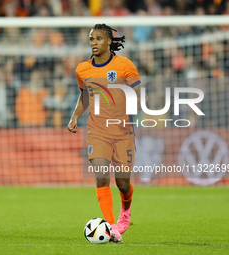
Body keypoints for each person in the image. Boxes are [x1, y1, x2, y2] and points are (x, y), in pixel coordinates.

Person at [67, 24, 142, 242]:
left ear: (109, 41)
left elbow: (136, 90)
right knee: (101, 176)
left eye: (98, 38)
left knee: (122, 184)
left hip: (122, 132)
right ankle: (112, 229)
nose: (94, 42)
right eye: (91, 39)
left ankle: (125, 210)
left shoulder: (124, 65)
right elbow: (86, 97)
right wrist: (74, 117)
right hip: (97, 131)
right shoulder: (83, 69)